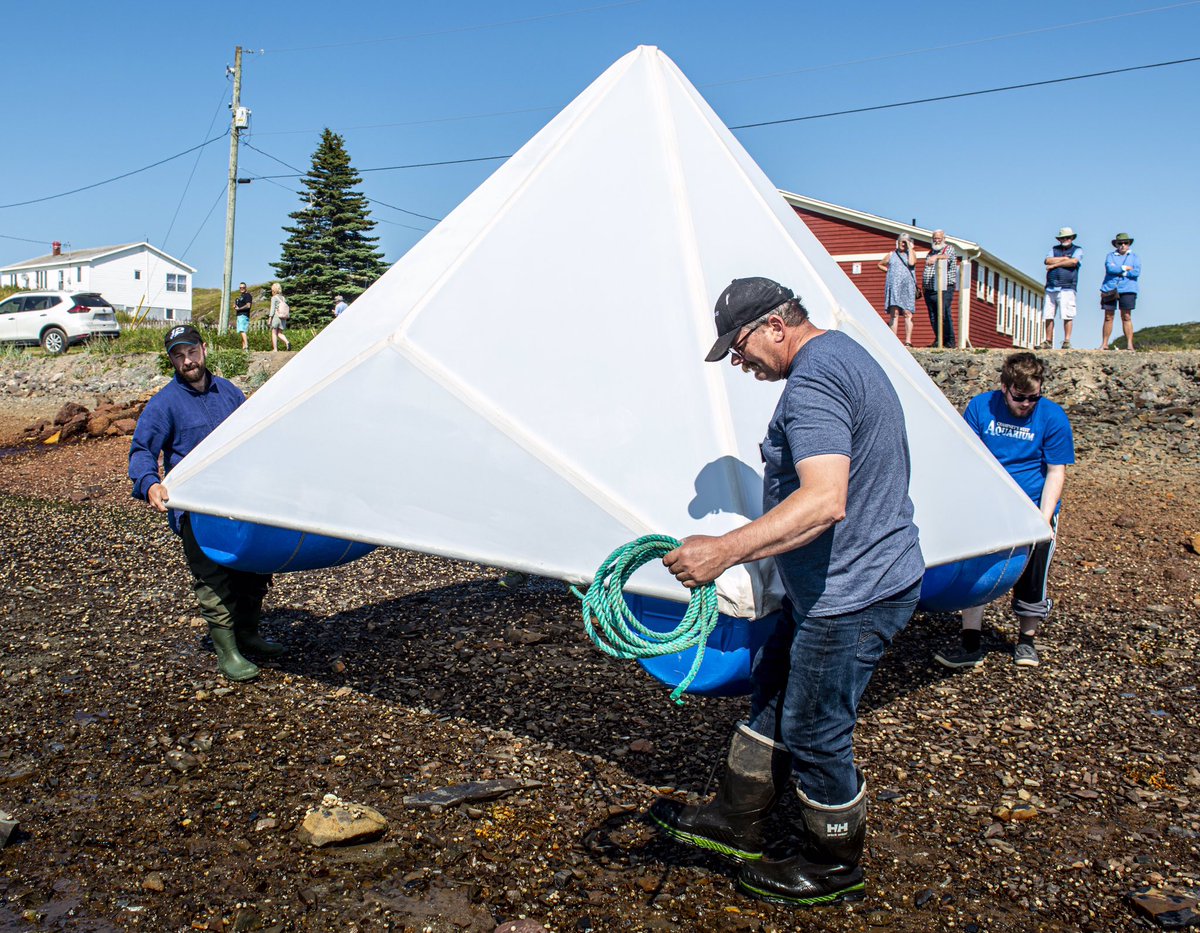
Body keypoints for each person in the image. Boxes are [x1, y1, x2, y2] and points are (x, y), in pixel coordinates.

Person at [651, 277, 924, 908]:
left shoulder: (813, 385)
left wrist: (723, 550)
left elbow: (826, 500)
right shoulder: (844, 354)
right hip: (838, 582)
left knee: (815, 726)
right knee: (773, 693)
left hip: (852, 594)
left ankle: (834, 862)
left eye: (740, 347)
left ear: (776, 326)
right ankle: (736, 816)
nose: (739, 362)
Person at [128, 325, 285, 682]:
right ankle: (227, 652)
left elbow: (253, 435)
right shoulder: (164, 404)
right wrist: (149, 484)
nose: (187, 361)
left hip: (240, 502)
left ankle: (248, 634)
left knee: (254, 570)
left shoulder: (229, 392)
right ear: (171, 359)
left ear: (203, 348)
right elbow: (141, 451)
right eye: (178, 356)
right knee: (213, 579)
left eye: (191, 352)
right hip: (196, 510)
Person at [934, 352, 1074, 670]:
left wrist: (1043, 519)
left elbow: (1056, 471)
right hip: (988, 504)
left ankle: (1026, 641)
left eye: (1033, 398)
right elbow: (966, 457)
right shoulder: (981, 407)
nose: (1026, 405)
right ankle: (971, 642)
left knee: (1033, 577)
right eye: (1020, 398)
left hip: (1033, 506)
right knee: (974, 570)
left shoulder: (1052, 417)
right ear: (1004, 387)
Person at [1040, 227, 1082, 349]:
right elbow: (1047, 260)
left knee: (1067, 315)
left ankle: (1067, 340)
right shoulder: (1054, 249)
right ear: (1059, 239)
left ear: (1072, 238)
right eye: (1063, 237)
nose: (1066, 239)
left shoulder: (1078, 250)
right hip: (1051, 286)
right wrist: (1064, 259)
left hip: (1067, 287)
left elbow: (1073, 262)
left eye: (1068, 237)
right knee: (1048, 314)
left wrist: (1055, 265)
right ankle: (1048, 340)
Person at [1099, 233, 1140, 351]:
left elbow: (1136, 272)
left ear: (1129, 244)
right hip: (1110, 288)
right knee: (1108, 316)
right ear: (1116, 244)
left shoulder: (1135, 257)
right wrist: (1125, 268)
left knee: (1126, 316)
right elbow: (1109, 268)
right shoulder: (1110, 256)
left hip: (1128, 289)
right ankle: (1104, 344)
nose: (1123, 245)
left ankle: (1129, 345)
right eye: (1120, 243)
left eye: (1125, 243)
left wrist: (1121, 270)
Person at [878, 235, 917, 348]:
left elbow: (911, 263)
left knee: (907, 313)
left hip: (907, 287)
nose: (903, 244)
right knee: (894, 313)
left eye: (905, 242)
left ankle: (908, 341)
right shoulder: (891, 254)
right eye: (901, 241)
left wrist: (910, 248)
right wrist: (890, 272)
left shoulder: (912, 254)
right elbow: (880, 264)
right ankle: (893, 341)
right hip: (894, 286)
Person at [922, 229, 957, 348]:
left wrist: (936, 257)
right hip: (930, 289)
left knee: (944, 313)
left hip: (944, 288)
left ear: (943, 239)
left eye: (939, 238)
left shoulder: (948, 249)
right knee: (933, 315)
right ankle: (939, 339)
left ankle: (949, 341)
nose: (937, 241)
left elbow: (947, 257)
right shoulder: (931, 252)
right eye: (935, 239)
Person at [268, 282, 291, 352]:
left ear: (274, 290)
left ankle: (275, 349)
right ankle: (287, 342)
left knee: (274, 332)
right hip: (283, 318)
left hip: (276, 317)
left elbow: (272, 309)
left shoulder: (274, 298)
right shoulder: (283, 298)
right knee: (280, 333)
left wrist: (269, 319)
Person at [234, 282, 253, 351]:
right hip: (240, 315)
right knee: (242, 332)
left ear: (246, 288)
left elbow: (248, 305)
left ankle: (246, 346)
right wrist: (236, 306)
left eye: (243, 287)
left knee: (242, 330)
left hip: (243, 315)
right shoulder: (241, 296)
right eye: (240, 288)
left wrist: (239, 308)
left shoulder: (248, 295)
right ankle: (243, 348)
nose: (242, 289)